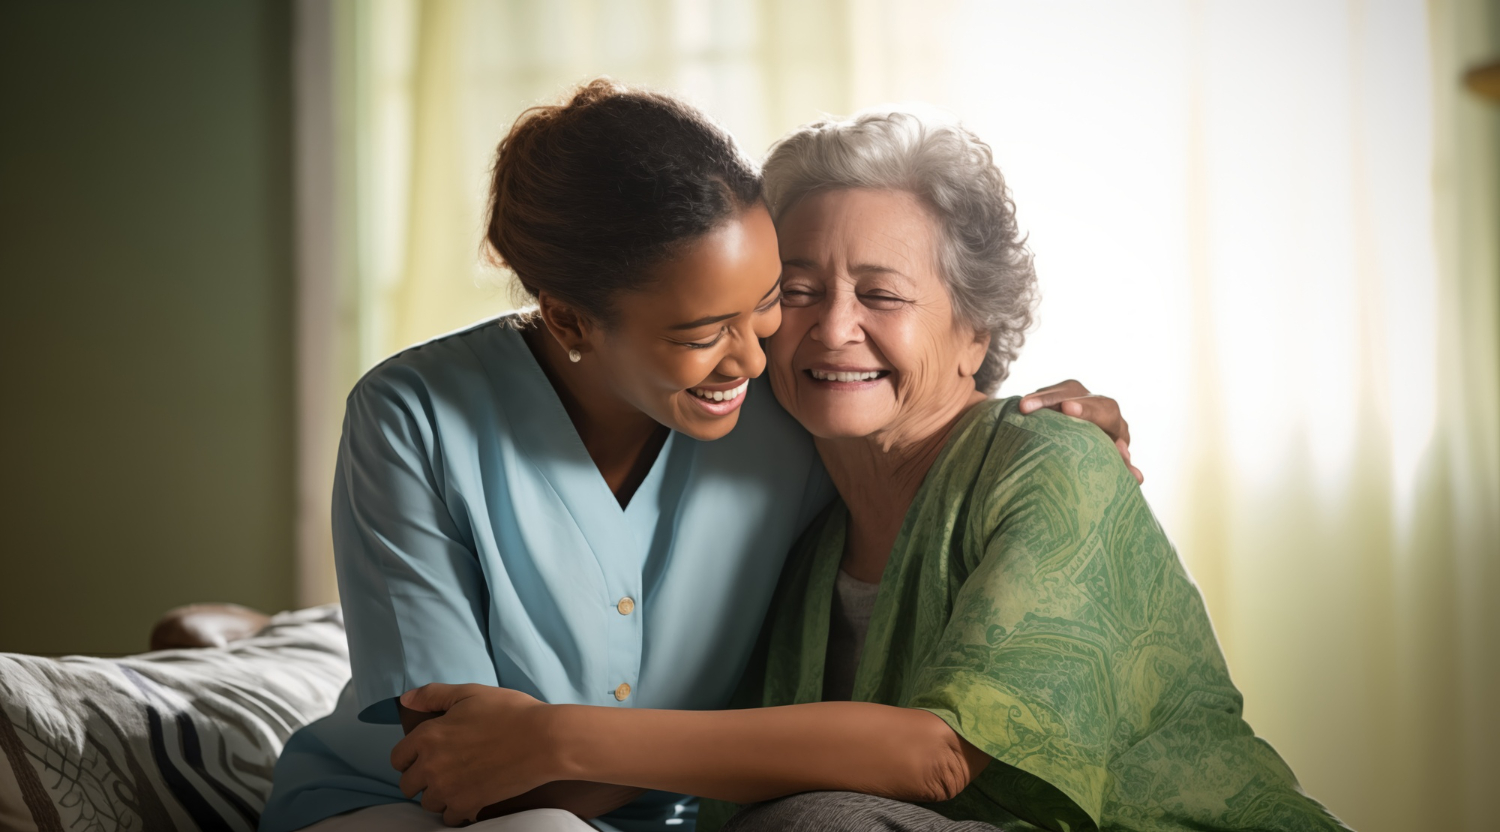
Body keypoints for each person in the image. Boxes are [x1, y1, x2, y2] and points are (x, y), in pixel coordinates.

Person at [386, 111, 1352, 832]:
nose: (831, 328)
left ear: (977, 330)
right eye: (793, 292)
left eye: (881, 294)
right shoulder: (788, 496)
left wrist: (556, 736)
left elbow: (937, 762)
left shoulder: (1050, 464)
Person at [259, 81, 1131, 832]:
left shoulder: (786, 410)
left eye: (763, 307)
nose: (752, 358)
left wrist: (1049, 424)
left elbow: (921, 403)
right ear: (568, 320)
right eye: (703, 332)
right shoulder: (412, 413)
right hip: (407, 807)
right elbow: (464, 769)